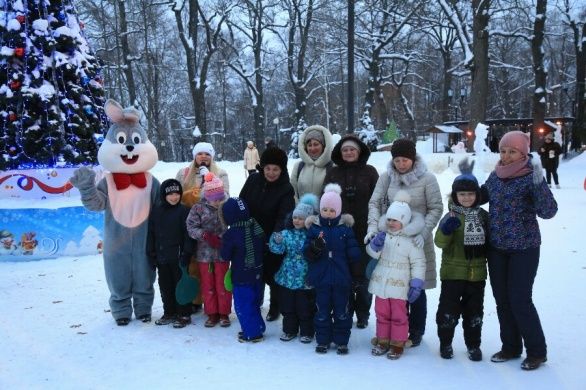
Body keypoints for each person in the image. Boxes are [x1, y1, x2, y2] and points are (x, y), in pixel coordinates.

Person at [481, 131, 557, 371]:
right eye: (503, 151)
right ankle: (511, 347)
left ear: (523, 153)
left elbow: (548, 211)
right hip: (497, 248)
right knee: (502, 300)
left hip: (524, 248)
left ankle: (536, 352)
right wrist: (463, 185)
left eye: (512, 151)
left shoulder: (530, 177)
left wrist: (538, 183)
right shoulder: (496, 176)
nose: (506, 155)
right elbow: (479, 196)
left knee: (520, 299)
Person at [367, 138, 443, 347]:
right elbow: (374, 203)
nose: (401, 164)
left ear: (413, 158)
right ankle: (392, 330)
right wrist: (374, 229)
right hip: (391, 242)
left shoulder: (427, 179)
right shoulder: (386, 178)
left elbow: (436, 207)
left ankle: (415, 331)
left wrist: (424, 231)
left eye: (405, 160)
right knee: (392, 286)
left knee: (416, 285)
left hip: (418, 241)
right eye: (397, 160)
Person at [434, 160, 488, 361]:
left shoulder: (483, 217)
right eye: (462, 194)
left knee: (474, 314)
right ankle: (445, 343)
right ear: (455, 195)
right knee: (448, 312)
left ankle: (473, 345)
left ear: (477, 196)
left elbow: (490, 243)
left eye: (471, 194)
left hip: (477, 274)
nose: (466, 198)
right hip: (452, 274)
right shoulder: (450, 216)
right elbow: (439, 242)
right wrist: (447, 230)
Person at [324, 134, 379, 329]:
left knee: (364, 275)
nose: (348, 152)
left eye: (352, 149)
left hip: (365, 231)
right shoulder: (333, 173)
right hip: (340, 232)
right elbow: (326, 199)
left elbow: (379, 199)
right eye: (345, 149)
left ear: (359, 151)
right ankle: (345, 308)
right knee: (343, 274)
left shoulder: (370, 172)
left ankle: (363, 313)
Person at [366, 191, 426, 360]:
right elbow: (372, 254)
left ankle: (398, 343)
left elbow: (418, 263)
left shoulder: (412, 241)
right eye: (389, 220)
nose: (391, 223)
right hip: (381, 283)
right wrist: (374, 246)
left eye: (396, 220)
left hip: (400, 286)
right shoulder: (383, 236)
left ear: (404, 221)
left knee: (399, 315)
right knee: (381, 313)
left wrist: (416, 283)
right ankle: (383, 340)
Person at [239, 147, 295, 321]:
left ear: (282, 170)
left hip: (272, 238)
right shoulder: (253, 180)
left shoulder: (286, 188)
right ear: (262, 167)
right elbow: (242, 202)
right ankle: (256, 302)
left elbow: (285, 216)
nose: (270, 173)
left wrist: (275, 237)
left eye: (275, 169)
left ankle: (275, 306)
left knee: (273, 274)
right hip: (251, 236)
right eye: (268, 168)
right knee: (255, 273)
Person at [304, 184, 361, 355]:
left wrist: (356, 273)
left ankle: (341, 341)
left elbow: (354, 253)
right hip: (321, 278)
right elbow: (306, 252)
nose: (328, 213)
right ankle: (323, 340)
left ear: (339, 210)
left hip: (341, 279)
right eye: (325, 209)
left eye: (332, 210)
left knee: (341, 311)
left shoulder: (344, 229)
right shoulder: (314, 228)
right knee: (322, 311)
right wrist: (315, 247)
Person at [176, 142, 229, 313]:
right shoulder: (184, 173)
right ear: (194, 156)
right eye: (200, 154)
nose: (203, 157)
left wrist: (212, 183)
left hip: (213, 224)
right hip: (190, 223)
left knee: (213, 268)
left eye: (207, 154)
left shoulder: (220, 173)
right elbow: (176, 196)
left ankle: (218, 307)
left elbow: (225, 197)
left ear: (212, 156)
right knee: (193, 263)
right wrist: (192, 194)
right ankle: (196, 299)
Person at [269, 193, 319, 343]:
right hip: (287, 274)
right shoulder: (286, 234)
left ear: (308, 220)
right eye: (295, 217)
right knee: (288, 305)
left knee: (305, 307)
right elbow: (277, 250)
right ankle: (289, 330)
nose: (297, 221)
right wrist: (277, 242)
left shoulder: (311, 235)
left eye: (301, 218)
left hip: (305, 275)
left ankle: (307, 331)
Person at [186, 173, 231, 328]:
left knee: (223, 284)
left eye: (220, 198)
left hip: (222, 253)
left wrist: (228, 239)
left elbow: (236, 222)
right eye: (214, 199)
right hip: (204, 254)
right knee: (208, 284)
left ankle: (224, 313)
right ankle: (211, 313)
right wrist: (204, 235)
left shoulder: (226, 207)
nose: (217, 202)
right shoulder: (198, 208)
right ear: (207, 196)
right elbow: (191, 227)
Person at [147, 179, 194, 328]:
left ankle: (184, 313)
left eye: (177, 193)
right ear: (163, 195)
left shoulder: (184, 211)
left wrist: (187, 253)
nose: (174, 197)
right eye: (170, 194)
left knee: (181, 286)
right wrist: (151, 254)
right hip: (162, 257)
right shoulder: (156, 212)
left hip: (179, 257)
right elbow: (151, 234)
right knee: (165, 286)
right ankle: (169, 312)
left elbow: (189, 235)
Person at [221, 197, 266, 343]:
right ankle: (258, 326)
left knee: (244, 305)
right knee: (254, 302)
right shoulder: (255, 226)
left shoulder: (231, 234)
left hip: (241, 276)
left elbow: (225, 255)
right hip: (258, 273)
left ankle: (252, 334)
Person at [290, 125, 334, 200]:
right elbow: (292, 192)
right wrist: (298, 207)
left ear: (323, 146)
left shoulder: (333, 167)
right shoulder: (298, 167)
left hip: (325, 211)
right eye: (309, 145)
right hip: (301, 211)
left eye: (316, 144)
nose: (312, 148)